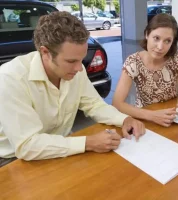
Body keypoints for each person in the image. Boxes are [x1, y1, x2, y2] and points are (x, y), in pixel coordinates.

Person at [0, 11, 145, 167]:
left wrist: (124, 119)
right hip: (14, 159)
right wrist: (88, 143)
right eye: (71, 61)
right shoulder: (11, 78)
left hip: (63, 147)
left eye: (81, 60)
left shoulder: (75, 71)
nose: (79, 69)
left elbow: (94, 105)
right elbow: (27, 146)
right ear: (45, 52)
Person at [112, 14, 178, 127]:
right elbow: (117, 103)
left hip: (172, 116)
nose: (160, 47)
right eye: (156, 38)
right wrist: (152, 116)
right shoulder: (133, 62)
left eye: (167, 41)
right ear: (147, 34)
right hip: (144, 118)